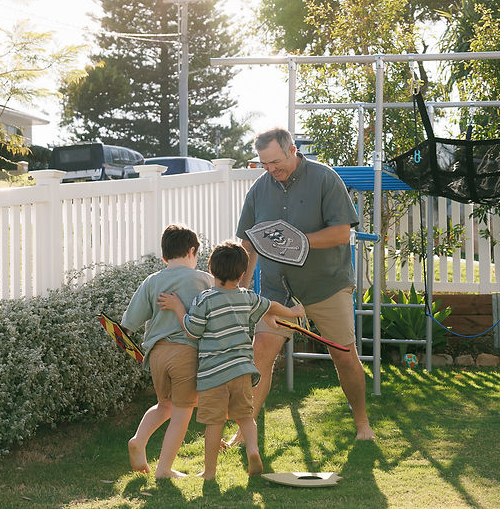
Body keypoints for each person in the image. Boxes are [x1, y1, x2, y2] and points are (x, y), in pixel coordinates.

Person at [234, 127, 375, 442]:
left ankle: (362, 424)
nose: (271, 169)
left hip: (326, 286)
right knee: (260, 357)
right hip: (277, 291)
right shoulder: (258, 191)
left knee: (343, 355)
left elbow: (340, 234)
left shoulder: (325, 179)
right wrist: (240, 291)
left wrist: (295, 242)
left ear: (292, 149)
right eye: (264, 164)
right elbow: (249, 245)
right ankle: (244, 433)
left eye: (275, 161)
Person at [158, 240, 305, 480]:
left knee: (214, 423)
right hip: (242, 371)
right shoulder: (247, 297)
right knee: (245, 416)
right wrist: (294, 313)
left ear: (211, 269)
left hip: (213, 375)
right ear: (243, 273)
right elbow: (272, 307)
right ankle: (253, 450)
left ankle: (209, 472)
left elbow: (192, 330)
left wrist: (177, 308)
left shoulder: (204, 299)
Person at [121, 224, 212, 478]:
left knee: (164, 405)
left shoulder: (152, 281)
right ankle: (164, 469)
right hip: (186, 352)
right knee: (183, 411)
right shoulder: (204, 279)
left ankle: (139, 439)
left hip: (157, 354)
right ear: (192, 251)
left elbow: (129, 322)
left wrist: (125, 338)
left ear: (163, 257)